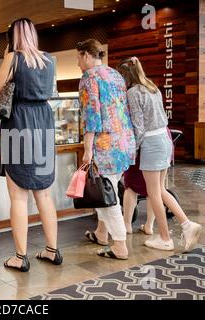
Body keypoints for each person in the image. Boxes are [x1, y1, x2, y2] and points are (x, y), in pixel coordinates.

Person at [0, 18, 62, 272]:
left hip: (19, 123)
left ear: (12, 37)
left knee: (18, 196)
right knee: (44, 193)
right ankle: (52, 250)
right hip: (44, 122)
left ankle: (20, 256)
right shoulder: (50, 59)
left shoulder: (14, 58)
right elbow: (52, 92)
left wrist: (6, 59)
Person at [118, 56, 202, 251]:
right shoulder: (151, 87)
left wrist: (132, 151)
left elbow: (138, 128)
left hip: (151, 143)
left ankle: (165, 238)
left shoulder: (132, 93)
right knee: (161, 190)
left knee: (153, 193)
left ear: (125, 77)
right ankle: (187, 225)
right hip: (164, 139)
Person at [77, 39, 136, 260]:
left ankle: (120, 245)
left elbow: (91, 116)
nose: (78, 63)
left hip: (104, 146)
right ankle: (102, 234)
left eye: (78, 58)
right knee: (105, 189)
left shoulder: (89, 77)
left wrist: (87, 148)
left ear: (85, 55)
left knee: (109, 196)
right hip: (124, 143)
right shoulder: (115, 74)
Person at [122, 152, 155, 235]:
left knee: (131, 186)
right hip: (158, 150)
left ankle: (127, 225)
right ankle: (149, 226)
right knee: (153, 189)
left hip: (137, 152)